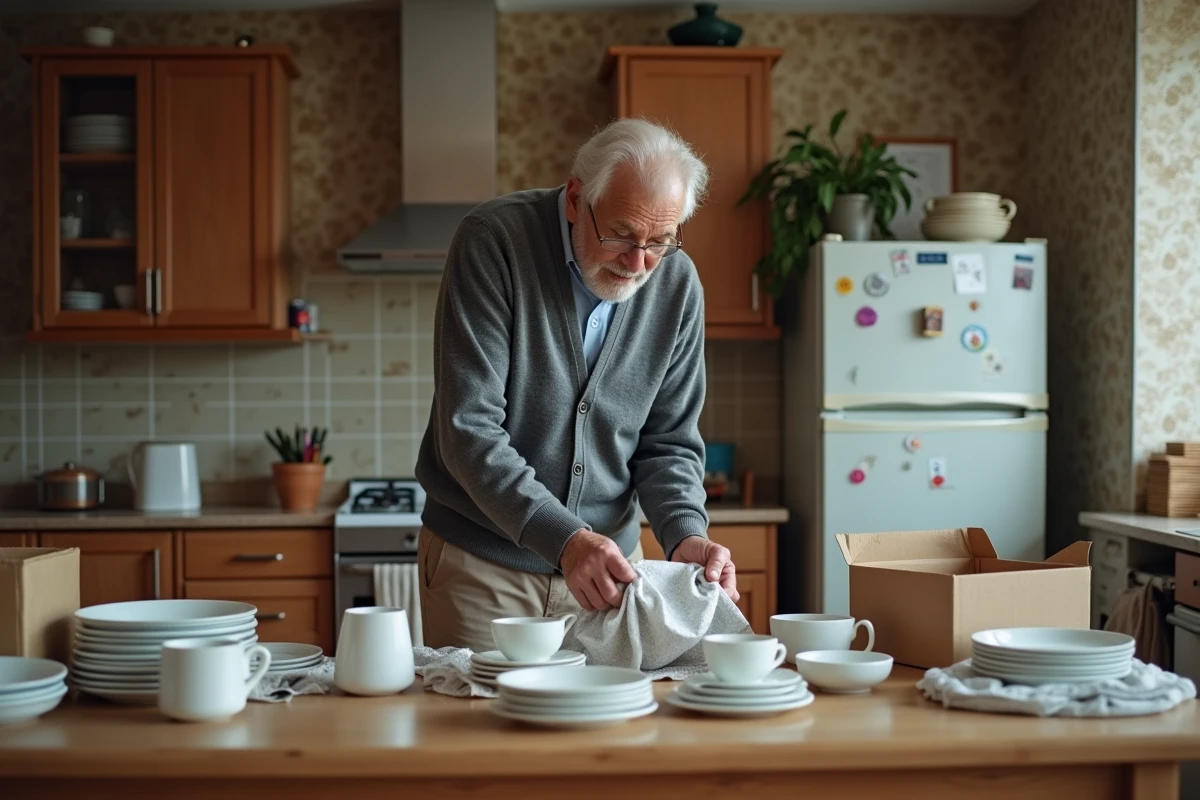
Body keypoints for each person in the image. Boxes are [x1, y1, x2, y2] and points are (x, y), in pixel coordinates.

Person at [414, 118, 738, 651]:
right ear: (574, 198)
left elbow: (669, 443)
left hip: (613, 578)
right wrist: (564, 540)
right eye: (621, 235)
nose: (638, 264)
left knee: (619, 731)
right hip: (485, 570)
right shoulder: (495, 243)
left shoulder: (677, 285)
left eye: (660, 241)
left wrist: (686, 535)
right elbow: (467, 430)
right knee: (481, 729)